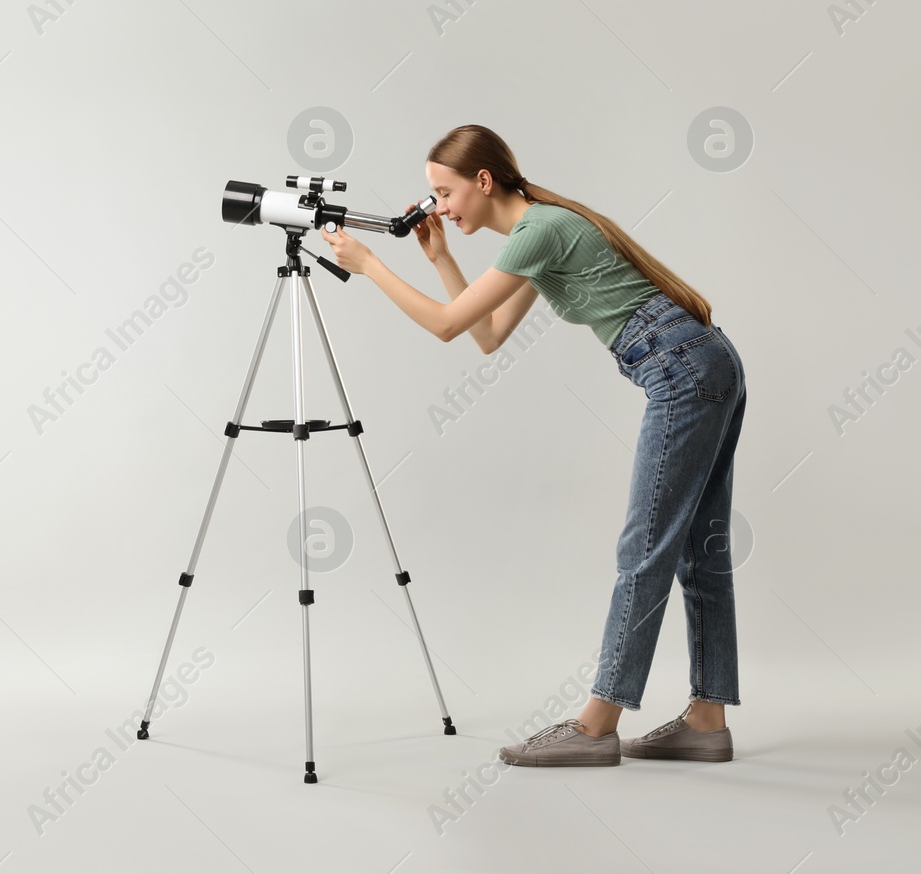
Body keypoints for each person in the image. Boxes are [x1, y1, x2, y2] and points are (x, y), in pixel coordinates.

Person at [319, 124, 745, 768]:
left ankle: (597, 726)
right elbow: (486, 334)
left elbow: (446, 326)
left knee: (647, 545)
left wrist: (370, 264)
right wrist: (437, 256)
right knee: (697, 544)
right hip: (705, 363)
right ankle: (707, 719)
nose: (438, 205)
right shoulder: (535, 236)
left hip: (684, 368)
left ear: (482, 180)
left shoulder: (538, 230)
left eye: (444, 191)